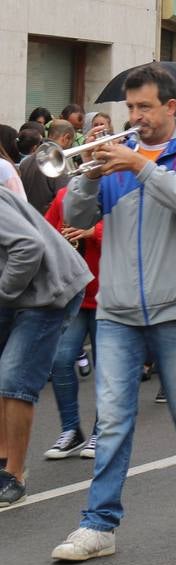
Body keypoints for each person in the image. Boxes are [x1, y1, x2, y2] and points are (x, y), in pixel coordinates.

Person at [52, 63, 176, 561]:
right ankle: (99, 525)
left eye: (144, 108)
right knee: (112, 418)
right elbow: (76, 218)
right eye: (129, 108)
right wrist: (89, 175)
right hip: (116, 309)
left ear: (170, 108)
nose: (134, 117)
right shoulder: (119, 156)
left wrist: (141, 167)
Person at [0, 184, 92, 507]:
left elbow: (28, 246)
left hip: (48, 289)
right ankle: (2, 461)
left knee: (14, 378)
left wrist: (3, 291)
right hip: (20, 290)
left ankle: (14, 475)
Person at [42, 186, 103, 461]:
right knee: (60, 359)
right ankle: (71, 430)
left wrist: (92, 232)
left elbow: (130, 233)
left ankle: (102, 431)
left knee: (107, 369)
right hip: (75, 295)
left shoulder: (116, 189)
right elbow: (44, 231)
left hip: (109, 296)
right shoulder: (64, 194)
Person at [19, 119, 74, 213]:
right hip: (48, 221)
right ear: (66, 138)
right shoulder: (58, 162)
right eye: (71, 142)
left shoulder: (26, 161)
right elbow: (66, 198)